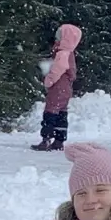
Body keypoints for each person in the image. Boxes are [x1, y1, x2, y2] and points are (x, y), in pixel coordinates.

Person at [34, 23, 82, 151]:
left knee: (50, 111)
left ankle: (46, 139)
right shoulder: (70, 53)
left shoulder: (63, 53)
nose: (56, 38)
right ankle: (59, 140)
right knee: (62, 112)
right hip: (66, 88)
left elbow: (58, 69)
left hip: (58, 87)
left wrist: (48, 80)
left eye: (59, 36)